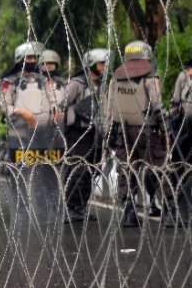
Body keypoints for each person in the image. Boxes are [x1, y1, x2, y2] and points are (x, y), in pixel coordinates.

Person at [106, 41, 174, 227]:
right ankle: (169, 212)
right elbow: (157, 105)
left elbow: (109, 110)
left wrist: (108, 135)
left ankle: (129, 212)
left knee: (126, 171)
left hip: (122, 132)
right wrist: (166, 131)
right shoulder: (149, 76)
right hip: (146, 131)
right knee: (159, 168)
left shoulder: (117, 76)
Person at [0, 41, 63, 229]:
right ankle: (21, 211)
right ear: (21, 59)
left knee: (45, 172)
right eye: (29, 58)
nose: (33, 61)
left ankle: (45, 211)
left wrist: (55, 111)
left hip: (43, 134)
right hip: (19, 135)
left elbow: (52, 100)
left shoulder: (44, 81)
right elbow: (5, 106)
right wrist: (23, 113)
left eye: (36, 57)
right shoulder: (9, 82)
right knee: (20, 174)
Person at [63, 48, 109, 223]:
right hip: (78, 133)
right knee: (78, 169)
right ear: (91, 65)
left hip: (94, 133)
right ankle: (71, 206)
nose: (104, 67)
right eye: (101, 64)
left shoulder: (102, 85)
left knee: (91, 170)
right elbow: (63, 103)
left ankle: (81, 206)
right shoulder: (78, 83)